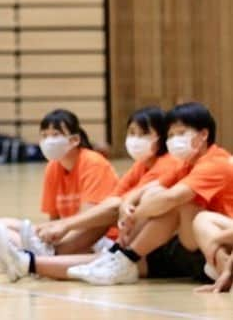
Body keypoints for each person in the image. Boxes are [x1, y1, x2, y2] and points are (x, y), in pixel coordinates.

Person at [0, 106, 179, 281]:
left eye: (144, 134)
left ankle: (33, 258)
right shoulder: (139, 166)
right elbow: (113, 200)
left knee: (109, 221)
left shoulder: (165, 164)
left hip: (133, 242)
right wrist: (54, 229)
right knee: (0, 225)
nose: (135, 139)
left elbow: (109, 210)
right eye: (132, 133)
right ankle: (32, 259)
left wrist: (64, 226)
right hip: (122, 238)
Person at [68, 102, 233, 286]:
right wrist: (127, 205)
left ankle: (123, 258)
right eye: (170, 135)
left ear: (203, 135)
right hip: (200, 240)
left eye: (180, 133)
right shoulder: (186, 163)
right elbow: (147, 190)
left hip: (221, 236)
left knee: (178, 201)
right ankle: (120, 258)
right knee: (156, 194)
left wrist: (134, 216)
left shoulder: (215, 163)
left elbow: (172, 198)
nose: (173, 140)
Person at [0, 109, 118, 269]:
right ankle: (33, 255)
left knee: (89, 226)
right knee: (0, 226)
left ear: (74, 140)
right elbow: (54, 219)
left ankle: (25, 255)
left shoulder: (93, 163)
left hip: (99, 238)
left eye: (56, 134)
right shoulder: (53, 167)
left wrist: (61, 229)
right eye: (44, 136)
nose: (49, 140)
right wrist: (49, 235)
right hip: (65, 235)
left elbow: (90, 219)